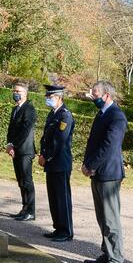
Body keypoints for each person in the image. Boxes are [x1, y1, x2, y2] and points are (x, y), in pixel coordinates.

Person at [82, 80, 127, 263]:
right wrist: (86, 164)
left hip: (108, 173)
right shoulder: (102, 114)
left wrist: (91, 165)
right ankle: (107, 255)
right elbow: (94, 143)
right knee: (102, 218)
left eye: (95, 94)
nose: (93, 97)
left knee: (111, 219)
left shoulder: (116, 116)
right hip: (98, 173)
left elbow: (109, 147)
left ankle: (116, 260)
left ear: (107, 95)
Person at [38, 84, 75, 242]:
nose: (48, 99)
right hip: (51, 162)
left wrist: (46, 156)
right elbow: (45, 137)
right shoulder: (52, 114)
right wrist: (42, 154)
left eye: (50, 97)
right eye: (47, 97)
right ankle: (58, 227)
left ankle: (66, 231)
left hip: (60, 162)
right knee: (53, 197)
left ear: (59, 97)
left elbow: (59, 141)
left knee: (62, 197)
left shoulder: (65, 116)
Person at [6, 82, 37, 221]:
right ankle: (24, 209)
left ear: (25, 93)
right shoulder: (15, 109)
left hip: (25, 150)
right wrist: (9, 144)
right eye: (14, 90)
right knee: (20, 181)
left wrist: (15, 145)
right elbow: (11, 129)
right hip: (16, 150)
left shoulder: (29, 109)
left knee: (26, 181)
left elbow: (25, 130)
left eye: (18, 91)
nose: (15, 93)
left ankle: (30, 211)